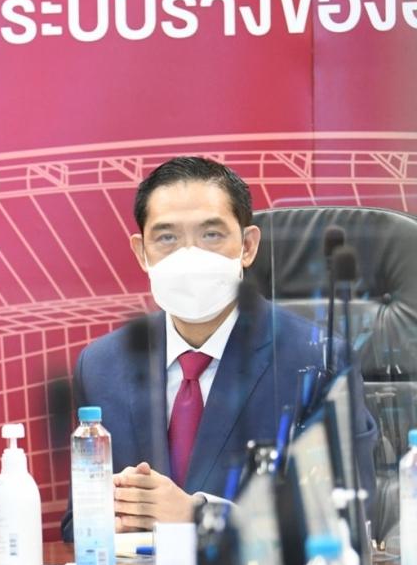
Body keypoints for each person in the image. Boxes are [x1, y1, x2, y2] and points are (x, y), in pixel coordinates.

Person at [62, 157, 377, 537]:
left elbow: (345, 516)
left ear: (247, 246)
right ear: (141, 252)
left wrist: (197, 515)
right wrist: (113, 516)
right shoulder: (102, 365)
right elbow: (78, 524)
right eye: (167, 238)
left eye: (211, 235)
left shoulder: (318, 361)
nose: (189, 256)